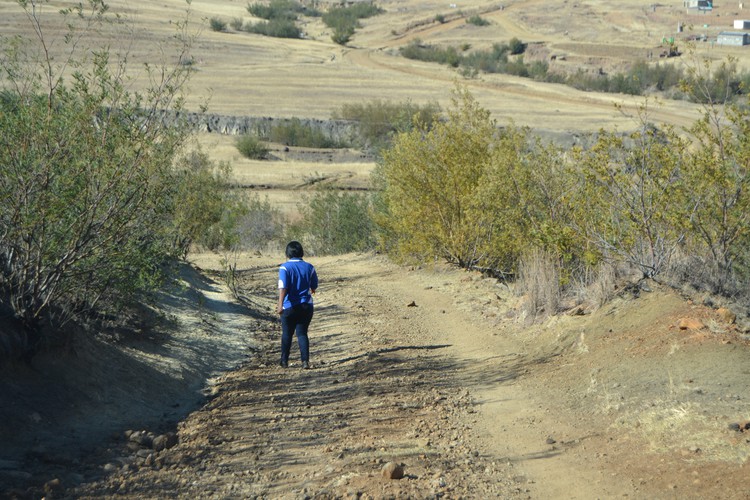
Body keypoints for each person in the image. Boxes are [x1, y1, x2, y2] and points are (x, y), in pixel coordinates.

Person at [277, 241, 318, 369]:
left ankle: (284, 361)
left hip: (289, 306)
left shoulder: (284, 268)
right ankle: (305, 361)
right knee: (302, 333)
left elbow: (283, 287)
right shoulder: (309, 267)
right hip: (306, 306)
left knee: (287, 333)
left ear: (287, 253)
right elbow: (314, 286)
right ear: (301, 252)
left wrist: (280, 305)